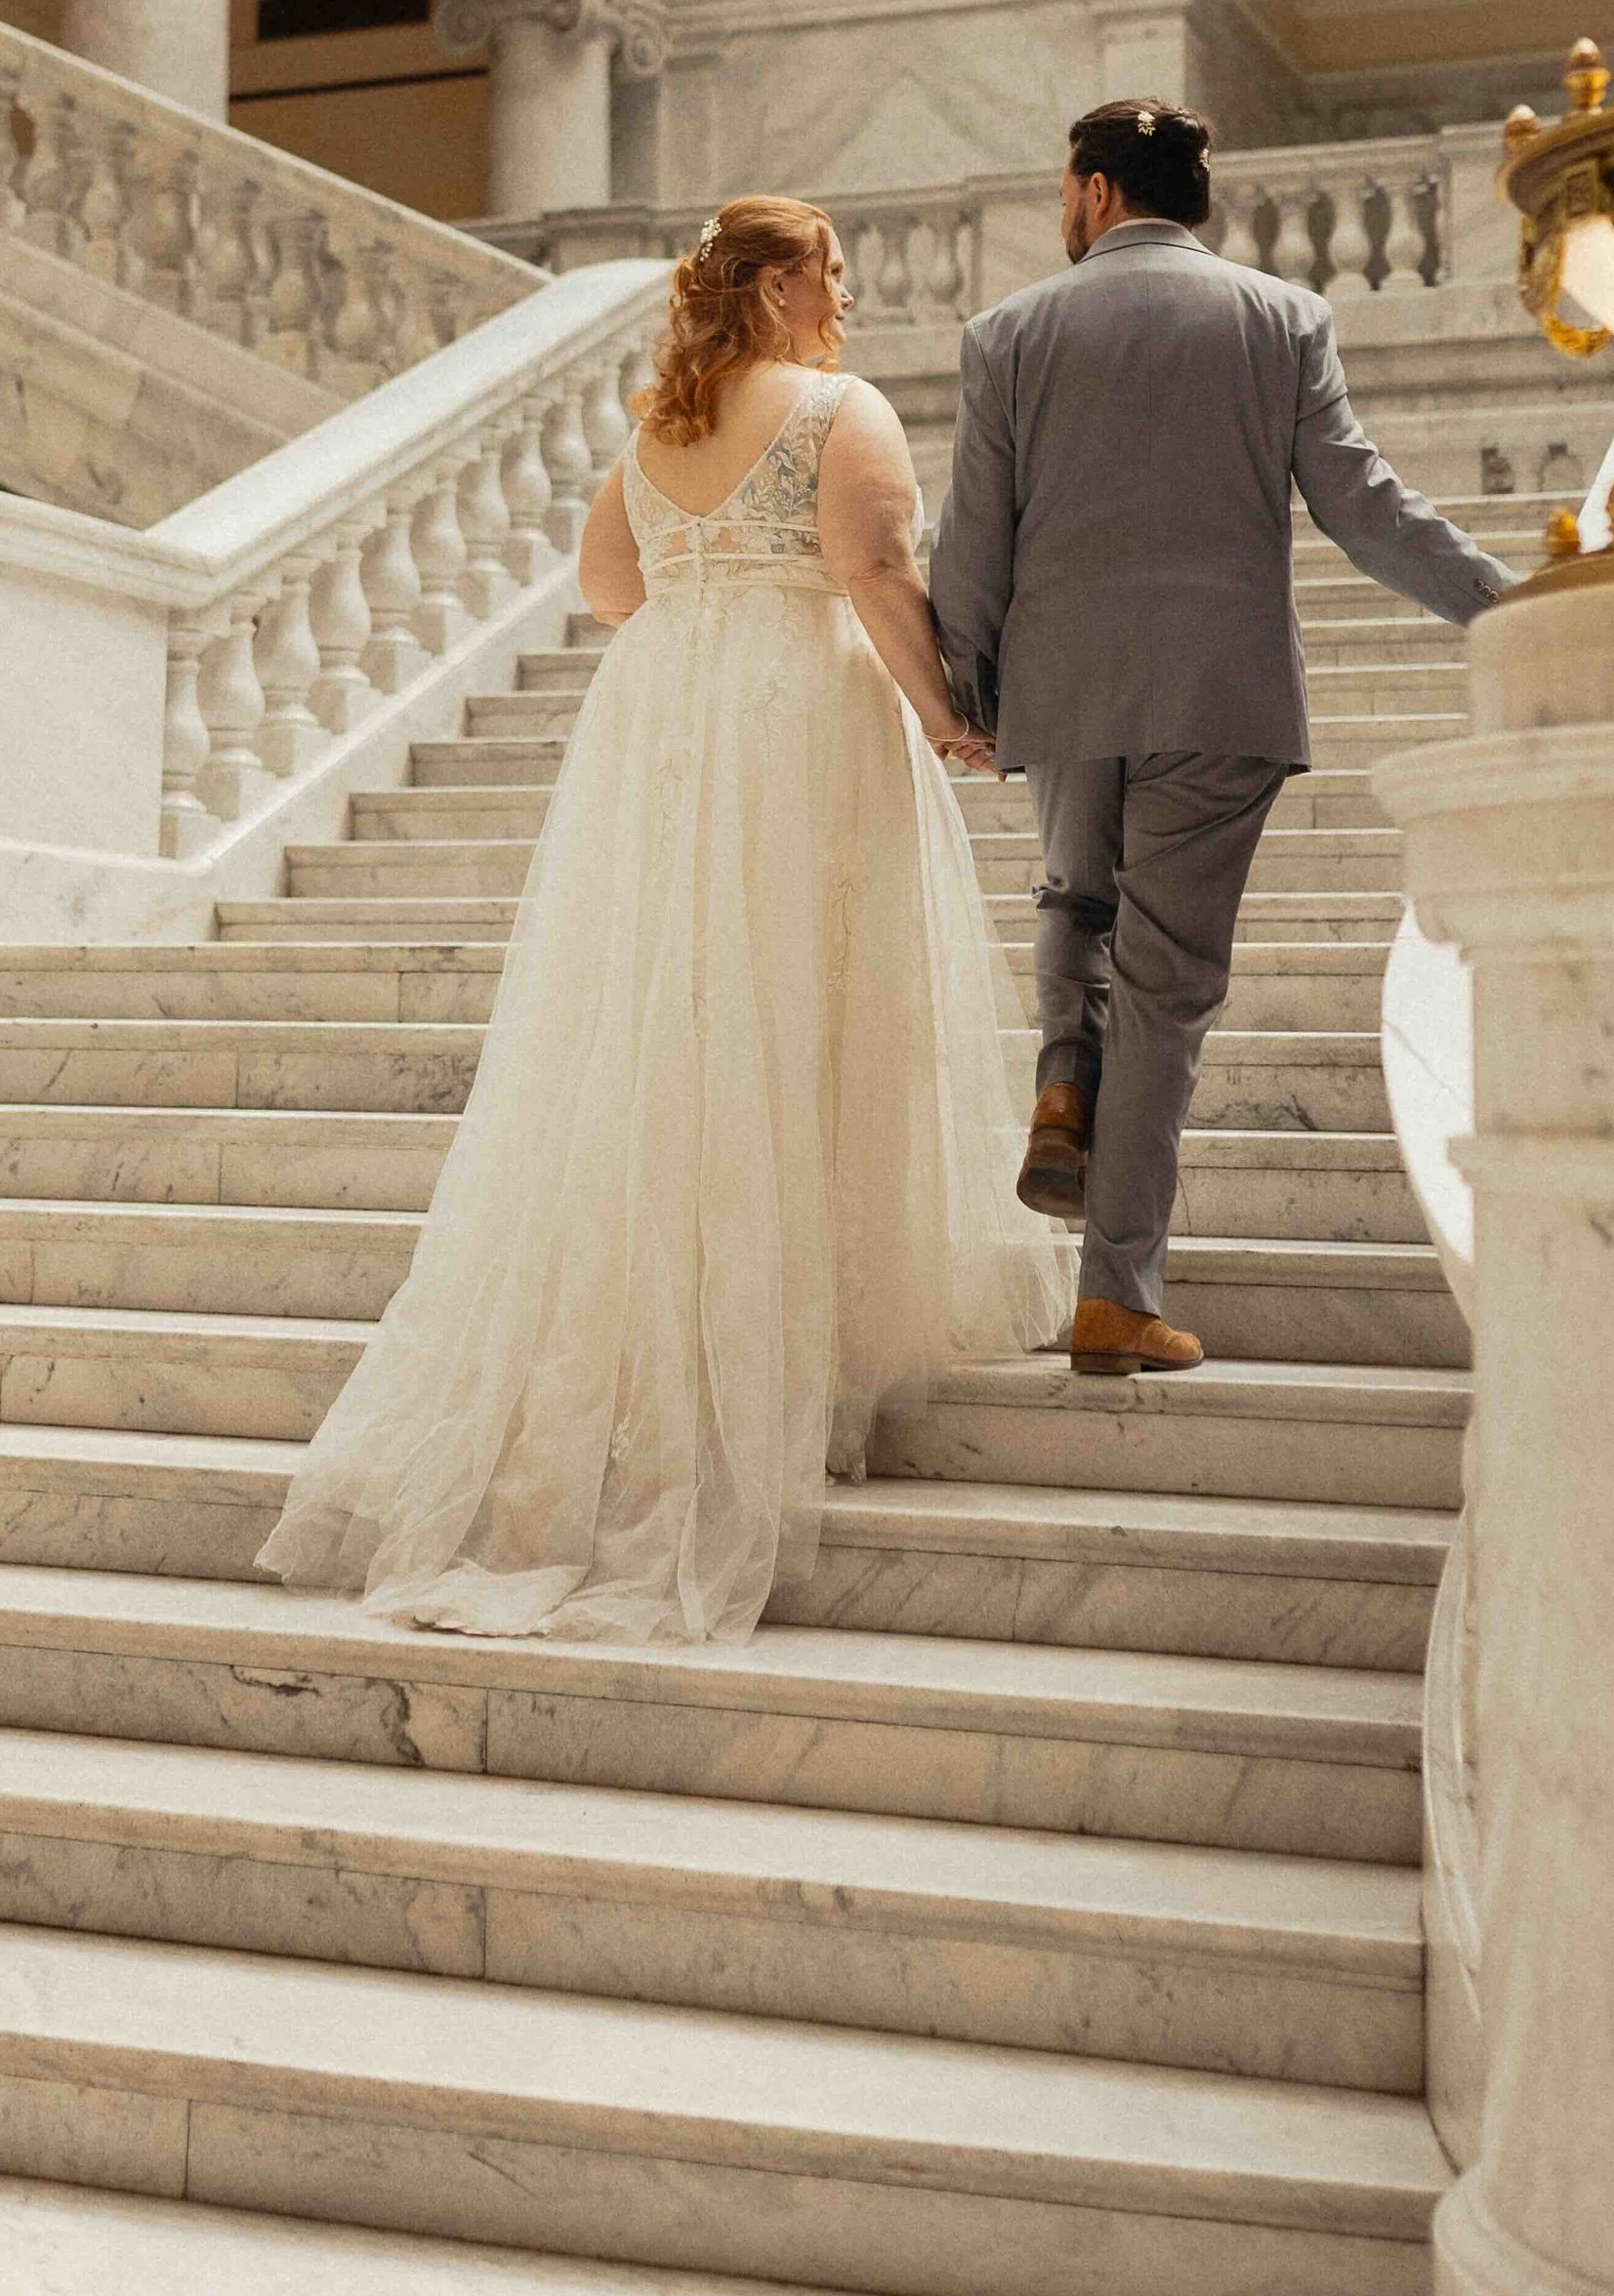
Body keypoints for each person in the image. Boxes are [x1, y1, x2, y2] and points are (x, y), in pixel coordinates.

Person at [259, 197, 1068, 1641]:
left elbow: (608, 584)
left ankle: (691, 1342)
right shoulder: (836, 409)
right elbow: (878, 573)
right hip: (794, 714)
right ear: (768, 289)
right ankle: (790, 1356)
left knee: (681, 1014)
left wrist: (713, 604)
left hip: (669, 719)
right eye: (827, 271)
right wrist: (952, 713)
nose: (845, 294)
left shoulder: (657, 427)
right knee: (811, 1004)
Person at [929, 102, 1514, 1379]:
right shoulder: (1280, 318)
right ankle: (1115, 1292)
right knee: (1169, 988)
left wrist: (964, 688)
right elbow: (1366, 508)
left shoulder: (1009, 331)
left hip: (1067, 681)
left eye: (1060, 191)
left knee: (1075, 896)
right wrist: (1500, 603)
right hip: (1220, 689)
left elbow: (972, 534)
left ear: (1090, 192)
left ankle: (1062, 1074)